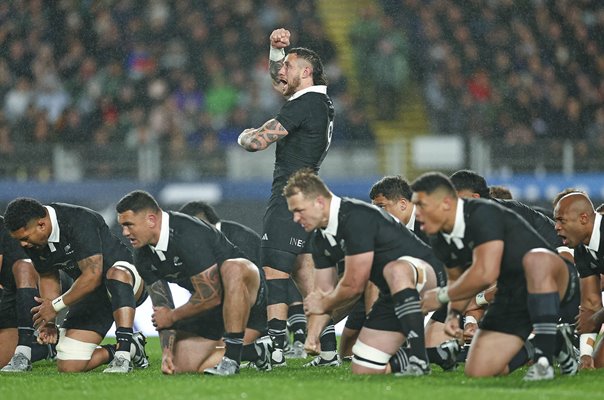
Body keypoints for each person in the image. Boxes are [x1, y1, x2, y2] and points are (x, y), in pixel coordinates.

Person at [411, 172, 580, 381]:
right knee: (479, 371)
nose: (416, 213)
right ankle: (554, 342)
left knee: (536, 260)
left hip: (554, 282)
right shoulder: (439, 236)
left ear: (445, 203)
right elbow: (458, 278)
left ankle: (543, 363)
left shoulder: (485, 212)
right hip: (510, 293)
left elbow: (485, 272)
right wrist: (453, 315)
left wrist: (441, 295)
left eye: (421, 205)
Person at [284, 169, 448, 376]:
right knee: (364, 367)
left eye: (299, 210)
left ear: (319, 202)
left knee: (396, 269)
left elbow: (354, 285)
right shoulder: (319, 239)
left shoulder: (355, 216)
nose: (296, 218)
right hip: (392, 291)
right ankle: (437, 354)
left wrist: (323, 303)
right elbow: (323, 291)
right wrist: (313, 335)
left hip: (430, 277)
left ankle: (419, 361)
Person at [237, 28, 335, 366]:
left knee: (274, 269)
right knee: (307, 279)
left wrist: (244, 135)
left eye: (289, 66)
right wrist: (276, 51)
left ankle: (276, 348)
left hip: (288, 199)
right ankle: (329, 349)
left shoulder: (305, 104)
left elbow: (256, 143)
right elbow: (279, 81)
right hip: (308, 197)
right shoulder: (318, 101)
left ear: (305, 72)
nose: (282, 71)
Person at [116, 191, 269, 376]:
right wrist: (167, 351)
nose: (125, 232)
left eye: (129, 225)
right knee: (180, 365)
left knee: (233, 268)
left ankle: (232, 358)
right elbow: (162, 307)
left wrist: (172, 316)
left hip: (247, 301)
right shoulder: (142, 255)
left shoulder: (187, 231)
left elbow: (211, 295)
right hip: (211, 309)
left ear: (151, 220)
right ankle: (257, 352)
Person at [3, 198, 148, 373]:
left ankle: (122, 355)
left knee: (115, 274)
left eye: (25, 238)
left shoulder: (79, 219)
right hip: (91, 294)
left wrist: (56, 306)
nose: (23, 244)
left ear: (41, 225)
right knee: (69, 364)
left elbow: (93, 275)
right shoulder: (34, 240)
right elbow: (48, 275)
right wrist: (49, 321)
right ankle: (133, 347)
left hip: (128, 282)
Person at [369, 175, 456, 364]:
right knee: (351, 350)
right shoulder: (387, 230)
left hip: (454, 287)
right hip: (415, 286)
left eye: (381, 206)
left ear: (402, 204)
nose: (376, 213)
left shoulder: (430, 221)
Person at [553, 192, 604, 370]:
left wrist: (597, 317)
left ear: (583, 218)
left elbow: (594, 316)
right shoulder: (583, 248)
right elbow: (590, 304)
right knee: (597, 365)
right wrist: (585, 356)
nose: (556, 227)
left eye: (561, 220)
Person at [0, 216, 54, 371]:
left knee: (23, 266)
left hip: (25, 290)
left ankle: (25, 347)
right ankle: (45, 347)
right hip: (7, 296)